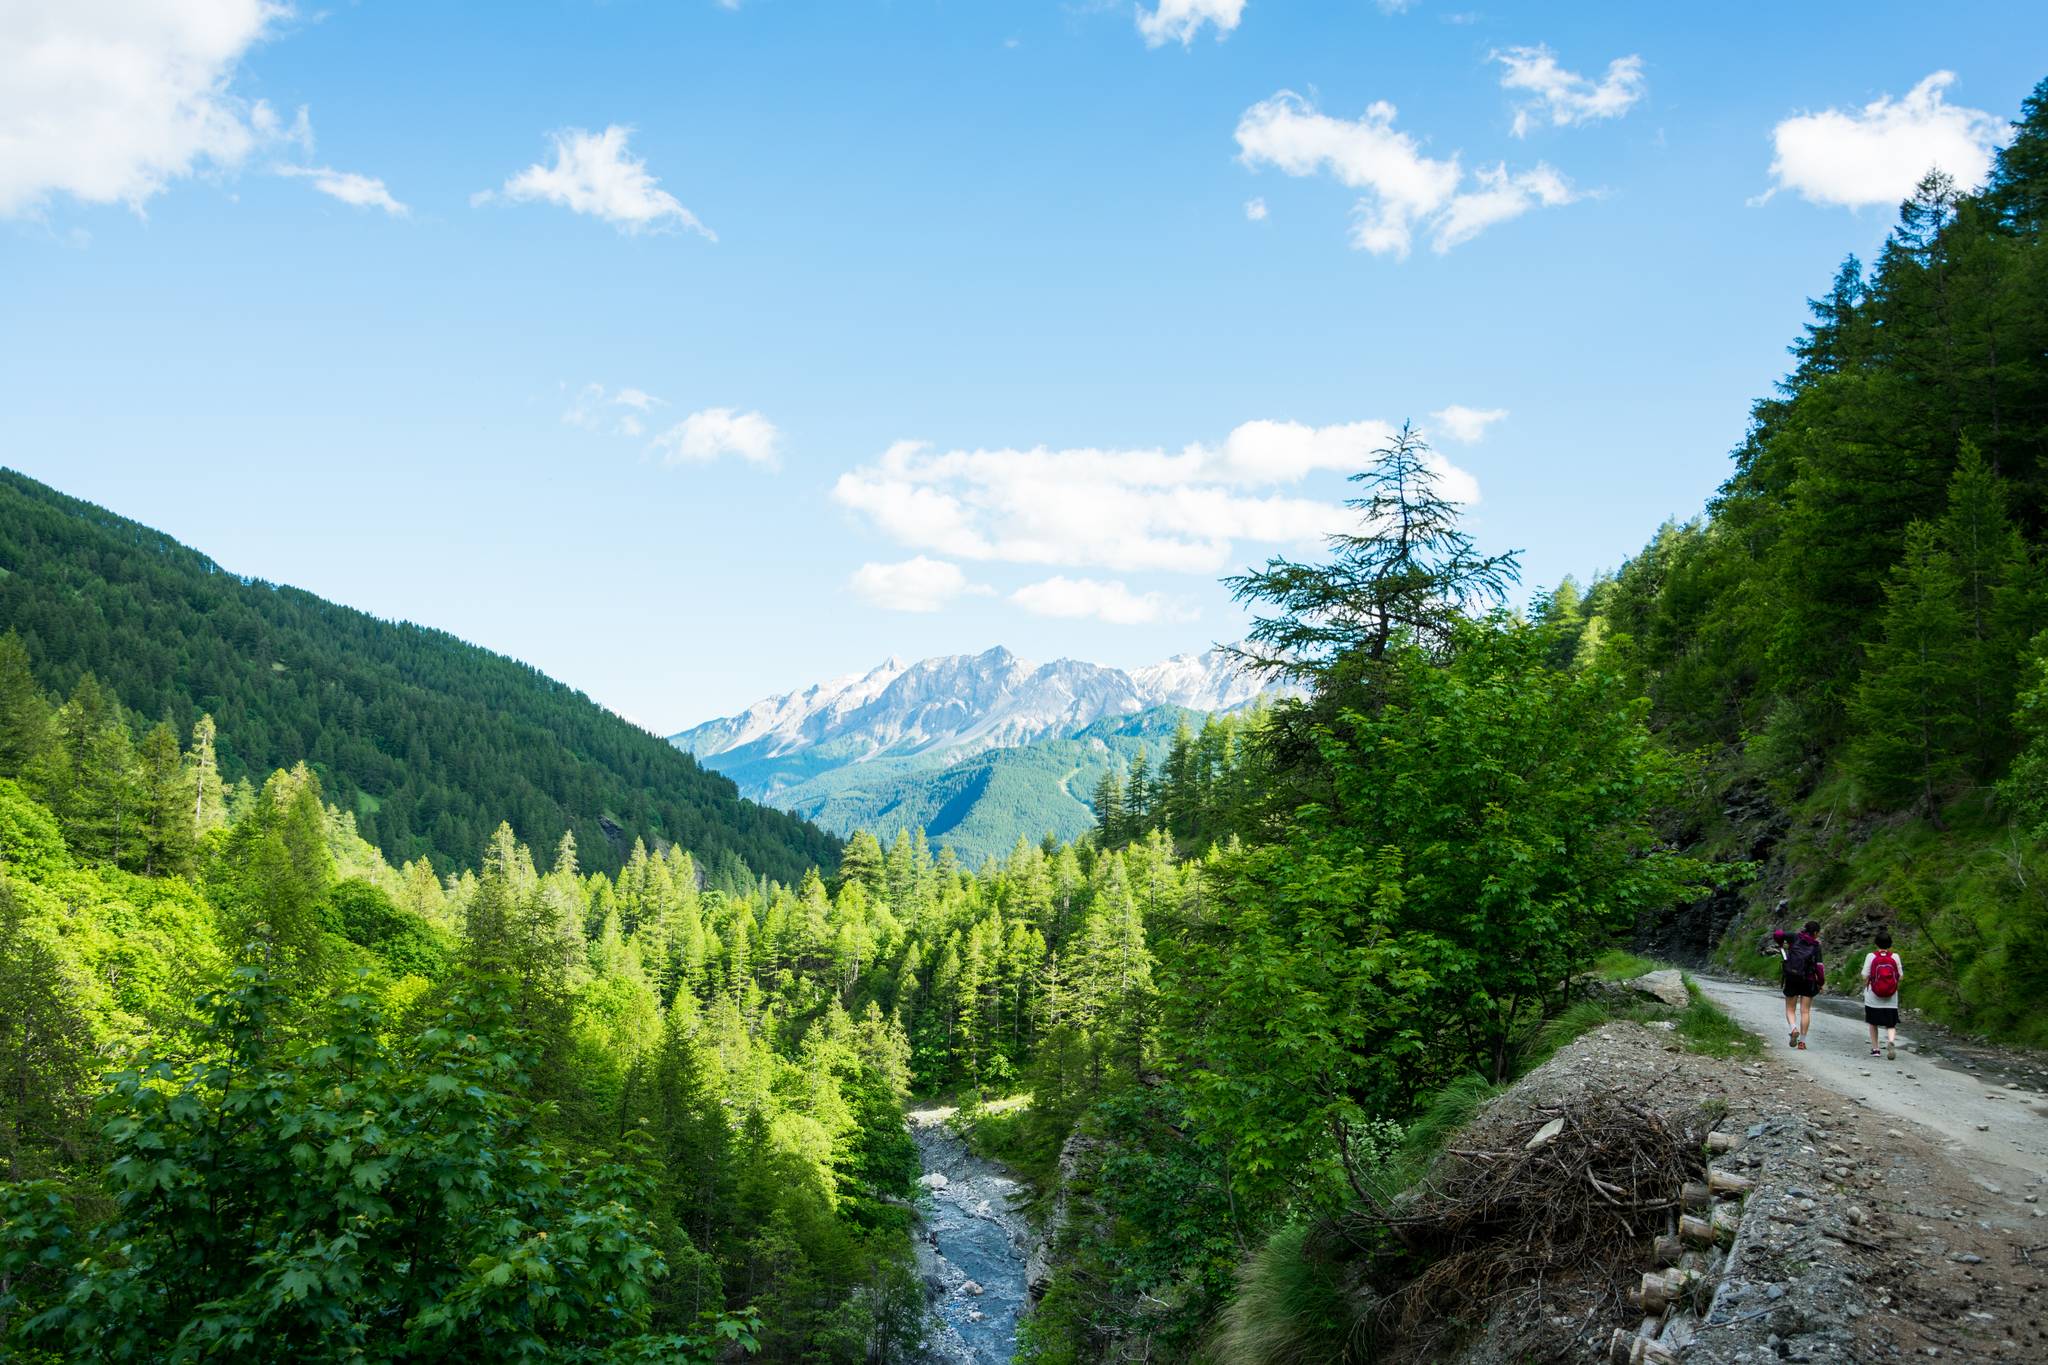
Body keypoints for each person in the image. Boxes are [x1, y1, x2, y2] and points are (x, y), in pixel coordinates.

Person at [1764, 916, 1824, 1049]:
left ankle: (1793, 1029)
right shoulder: (1816, 946)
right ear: (1815, 933)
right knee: (1805, 1011)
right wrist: (1820, 983)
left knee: (1790, 1008)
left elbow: (1778, 933)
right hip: (1808, 980)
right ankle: (1802, 1042)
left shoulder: (1794, 937)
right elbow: (1819, 967)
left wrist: (1780, 944)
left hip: (1792, 977)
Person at [1860, 929, 1903, 1061]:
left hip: (1874, 996)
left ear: (1876, 944)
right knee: (1891, 1024)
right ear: (1890, 944)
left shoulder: (1871, 956)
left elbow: (1864, 975)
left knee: (1873, 1023)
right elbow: (1900, 976)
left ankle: (1876, 1049)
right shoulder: (1895, 957)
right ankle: (1890, 1041)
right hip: (1891, 997)